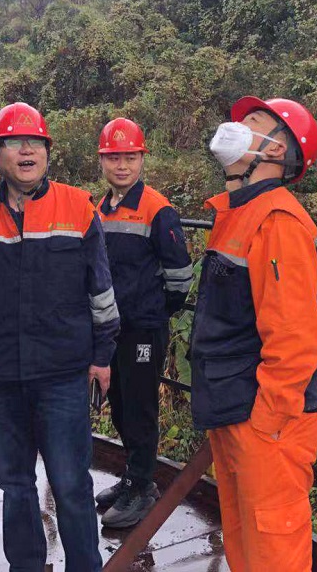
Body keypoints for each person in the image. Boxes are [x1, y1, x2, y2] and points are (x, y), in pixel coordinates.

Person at [0, 102, 120, 572]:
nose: (27, 151)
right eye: (15, 143)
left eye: (35, 142)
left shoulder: (78, 208)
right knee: (15, 485)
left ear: (47, 152)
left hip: (62, 375)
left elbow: (102, 294)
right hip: (1, 377)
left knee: (71, 483)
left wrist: (102, 357)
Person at [189, 96, 317, 572]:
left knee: (273, 551)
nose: (235, 126)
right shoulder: (239, 212)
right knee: (245, 545)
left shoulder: (278, 221)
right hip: (235, 412)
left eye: (252, 121)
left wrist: (265, 425)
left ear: (274, 149)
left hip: (266, 423)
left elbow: (295, 340)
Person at [92, 117, 193, 528]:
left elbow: (180, 277)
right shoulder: (99, 209)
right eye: (114, 157)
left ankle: (143, 487)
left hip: (143, 328)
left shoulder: (157, 209)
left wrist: (153, 312)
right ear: (102, 161)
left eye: (130, 157)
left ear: (141, 160)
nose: (122, 166)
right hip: (111, 329)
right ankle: (132, 477)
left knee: (140, 406)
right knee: (118, 403)